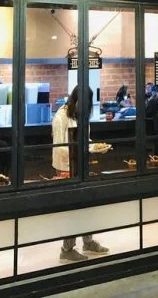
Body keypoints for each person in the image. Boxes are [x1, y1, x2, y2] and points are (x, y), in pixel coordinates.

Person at [53, 86, 108, 262]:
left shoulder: (81, 116)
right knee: (72, 208)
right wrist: (82, 149)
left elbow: (86, 140)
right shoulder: (61, 116)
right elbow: (59, 145)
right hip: (66, 166)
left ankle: (88, 241)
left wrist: (95, 147)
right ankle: (67, 249)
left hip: (81, 164)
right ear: (75, 100)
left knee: (87, 205)